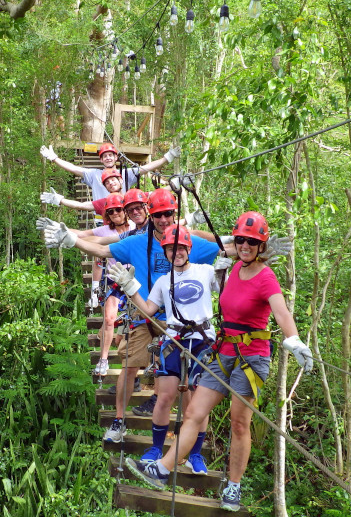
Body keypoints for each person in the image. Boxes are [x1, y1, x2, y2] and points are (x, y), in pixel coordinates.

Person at [125, 211, 313, 512]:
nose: (245, 246)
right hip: (223, 351)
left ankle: (234, 486)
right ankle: (162, 469)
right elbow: (212, 247)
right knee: (194, 412)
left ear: (261, 246)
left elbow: (281, 312)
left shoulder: (266, 276)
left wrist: (293, 339)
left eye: (252, 242)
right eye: (241, 240)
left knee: (240, 423)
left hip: (252, 357)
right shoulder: (231, 270)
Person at [43, 189, 220, 444]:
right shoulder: (136, 241)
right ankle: (119, 420)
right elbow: (103, 251)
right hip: (144, 309)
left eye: (168, 214)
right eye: (158, 214)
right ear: (152, 213)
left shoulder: (187, 241)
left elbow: (225, 248)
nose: (163, 219)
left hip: (178, 318)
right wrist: (72, 241)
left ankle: (187, 433)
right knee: (129, 366)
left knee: (185, 376)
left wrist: (261, 248)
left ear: (174, 215)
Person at [108, 225, 219, 475]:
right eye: (171, 248)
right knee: (165, 398)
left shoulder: (206, 271)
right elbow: (148, 309)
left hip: (202, 341)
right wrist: (130, 286)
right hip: (175, 339)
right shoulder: (162, 281)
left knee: (197, 404)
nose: (176, 252)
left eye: (180, 248)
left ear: (188, 249)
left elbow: (228, 284)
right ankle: (156, 448)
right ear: (166, 251)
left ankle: (196, 454)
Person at [39, 142, 179, 200]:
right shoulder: (94, 174)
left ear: (115, 157)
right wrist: (55, 159)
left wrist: (167, 158)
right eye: (104, 156)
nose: (107, 158)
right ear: (101, 160)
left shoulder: (125, 173)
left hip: (123, 216)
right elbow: (74, 169)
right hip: (102, 217)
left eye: (110, 155)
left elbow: (146, 168)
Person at [90, 193, 133, 376]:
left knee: (133, 324)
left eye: (119, 210)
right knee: (109, 319)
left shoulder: (136, 227)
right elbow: (84, 238)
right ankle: (104, 359)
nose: (115, 213)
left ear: (125, 211)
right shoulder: (104, 231)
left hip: (134, 279)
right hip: (114, 279)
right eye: (111, 211)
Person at [39, 168, 125, 216]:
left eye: (113, 180)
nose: (110, 183)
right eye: (107, 182)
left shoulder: (131, 198)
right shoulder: (104, 202)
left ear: (120, 180)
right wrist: (60, 200)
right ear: (106, 187)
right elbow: (81, 205)